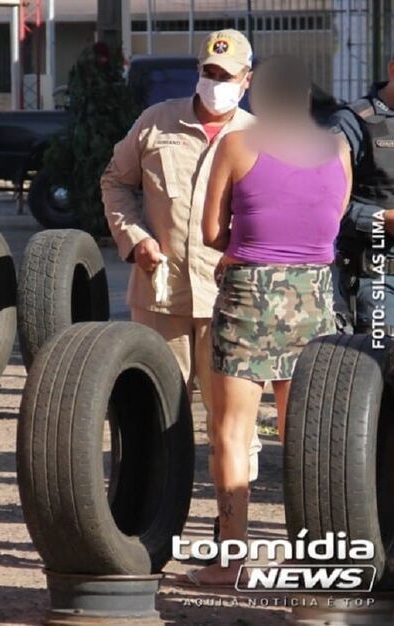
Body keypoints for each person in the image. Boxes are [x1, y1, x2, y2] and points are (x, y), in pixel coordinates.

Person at [190, 56, 351, 586]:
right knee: (303, 434)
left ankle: (231, 559)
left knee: (233, 431)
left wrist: (247, 247)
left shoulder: (237, 146)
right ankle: (315, 558)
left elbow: (212, 231)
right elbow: (328, 233)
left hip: (249, 296)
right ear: (305, 96)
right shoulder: (339, 151)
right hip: (314, 299)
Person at [101, 29, 262, 512]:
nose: (215, 83)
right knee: (153, 416)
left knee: (232, 426)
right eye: (208, 73)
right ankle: (150, 523)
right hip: (160, 296)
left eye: (226, 76)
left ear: (246, 79)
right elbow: (115, 182)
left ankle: (228, 526)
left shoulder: (257, 138)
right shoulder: (157, 122)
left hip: (230, 304)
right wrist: (135, 239)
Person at [331, 53, 394, 336]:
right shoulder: (352, 123)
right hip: (378, 278)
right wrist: (384, 219)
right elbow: (328, 208)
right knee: (379, 368)